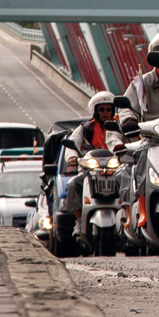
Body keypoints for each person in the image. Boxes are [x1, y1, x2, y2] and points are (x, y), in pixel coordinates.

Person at [118, 30, 159, 228]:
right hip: (153, 137)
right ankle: (143, 206)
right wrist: (129, 120)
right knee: (142, 154)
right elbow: (127, 106)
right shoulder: (143, 83)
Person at [63, 91, 126, 230]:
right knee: (73, 184)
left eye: (108, 109)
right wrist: (72, 157)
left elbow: (130, 142)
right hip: (90, 170)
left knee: (130, 182)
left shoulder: (120, 126)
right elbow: (72, 143)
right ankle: (79, 220)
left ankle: (128, 216)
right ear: (95, 111)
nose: (105, 113)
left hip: (116, 169)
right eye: (101, 109)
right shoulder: (84, 128)